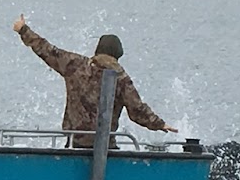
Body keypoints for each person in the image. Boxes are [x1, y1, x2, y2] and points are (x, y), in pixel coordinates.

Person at [13, 14, 178, 147]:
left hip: (74, 144)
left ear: (98, 50)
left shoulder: (75, 65)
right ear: (117, 55)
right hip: (106, 148)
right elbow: (137, 110)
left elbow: (46, 49)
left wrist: (23, 30)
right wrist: (160, 124)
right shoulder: (120, 77)